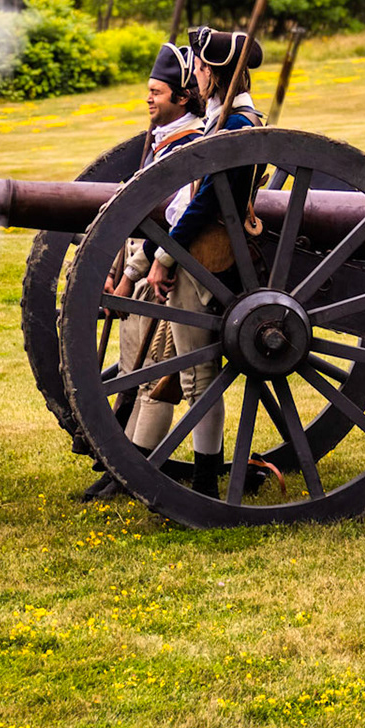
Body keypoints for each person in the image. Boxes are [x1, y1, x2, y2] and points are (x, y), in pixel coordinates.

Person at [143, 27, 266, 495]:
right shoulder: (230, 120)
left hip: (204, 256)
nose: (194, 75)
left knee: (197, 376)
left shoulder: (234, 126)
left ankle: (206, 482)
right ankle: (205, 475)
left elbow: (206, 202)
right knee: (197, 376)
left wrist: (165, 255)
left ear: (213, 73)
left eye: (198, 67)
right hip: (205, 252)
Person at [85, 41, 205, 501]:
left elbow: (176, 220)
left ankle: (134, 471)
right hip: (141, 272)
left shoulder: (191, 145)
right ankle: (125, 465)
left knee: (155, 377)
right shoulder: (161, 143)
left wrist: (136, 272)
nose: (148, 99)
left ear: (182, 97)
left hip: (164, 275)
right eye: (149, 91)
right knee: (136, 372)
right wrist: (121, 270)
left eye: (157, 92)